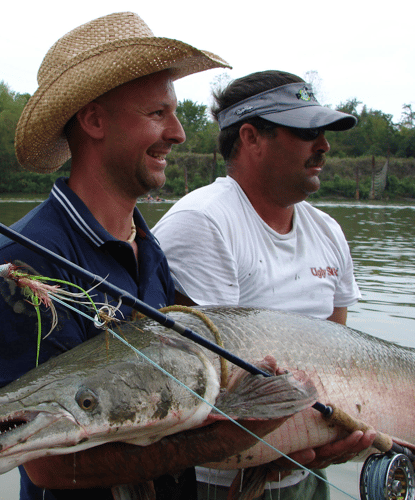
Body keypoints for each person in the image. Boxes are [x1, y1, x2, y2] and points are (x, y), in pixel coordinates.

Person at [0, 12, 229, 500]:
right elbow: (44, 461)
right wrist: (217, 443)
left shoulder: (148, 248)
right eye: (158, 114)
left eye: (174, 113)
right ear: (93, 120)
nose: (178, 133)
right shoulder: (23, 264)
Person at [153, 70, 375, 498]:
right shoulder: (204, 222)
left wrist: (332, 438)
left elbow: (337, 353)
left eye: (324, 133)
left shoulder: (328, 231)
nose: (324, 145)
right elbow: (204, 382)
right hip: (222, 481)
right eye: (307, 131)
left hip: (306, 471)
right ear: (251, 137)